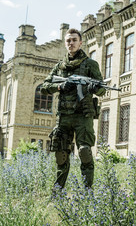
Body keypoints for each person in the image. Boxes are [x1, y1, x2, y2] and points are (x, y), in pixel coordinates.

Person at [41, 28, 106, 189]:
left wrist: (92, 88)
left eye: (74, 40)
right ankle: (57, 192)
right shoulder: (60, 67)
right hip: (63, 116)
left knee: (84, 152)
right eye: (68, 40)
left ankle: (87, 193)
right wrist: (61, 86)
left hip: (83, 115)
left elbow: (102, 89)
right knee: (61, 155)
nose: (71, 43)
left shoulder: (90, 64)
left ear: (81, 42)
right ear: (65, 43)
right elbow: (44, 86)